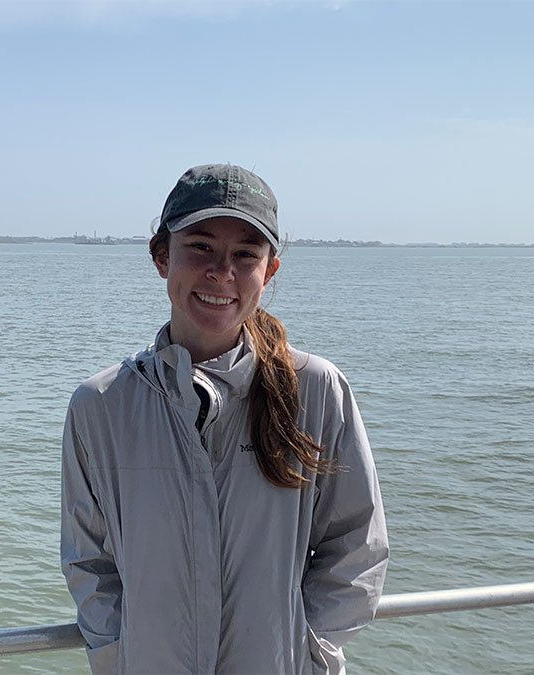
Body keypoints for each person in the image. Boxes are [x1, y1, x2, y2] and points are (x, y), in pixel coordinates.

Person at [60, 164, 389, 674]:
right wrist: (115, 656)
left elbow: (356, 546)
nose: (222, 272)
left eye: (245, 254)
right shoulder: (101, 405)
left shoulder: (317, 390)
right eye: (201, 247)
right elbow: (89, 562)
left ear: (270, 270)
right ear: (161, 256)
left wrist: (310, 650)